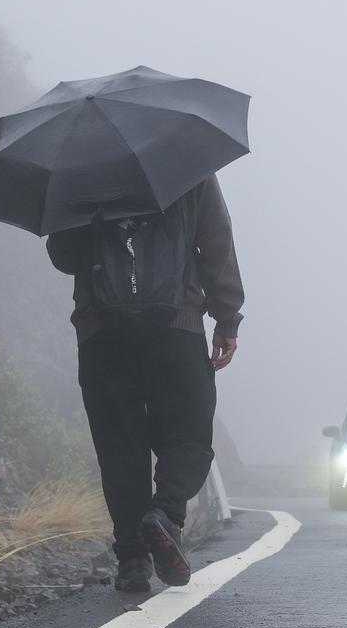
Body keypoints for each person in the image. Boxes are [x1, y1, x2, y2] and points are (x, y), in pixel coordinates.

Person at [46, 174, 244, 591]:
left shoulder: (82, 166)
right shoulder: (188, 161)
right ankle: (166, 514)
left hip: (102, 331)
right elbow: (216, 239)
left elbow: (64, 256)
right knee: (188, 432)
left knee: (120, 446)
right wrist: (227, 317)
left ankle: (132, 561)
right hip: (177, 325)